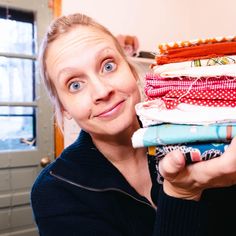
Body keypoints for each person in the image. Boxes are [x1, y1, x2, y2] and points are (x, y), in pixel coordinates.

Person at [31, 12, 236, 236]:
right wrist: (182, 193)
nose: (102, 91)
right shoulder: (55, 191)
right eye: (75, 85)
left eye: (108, 66)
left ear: (131, 71)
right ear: (63, 108)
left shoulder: (203, 134)